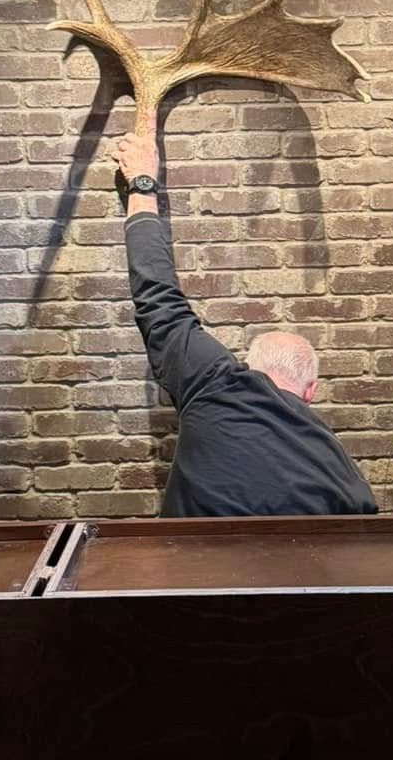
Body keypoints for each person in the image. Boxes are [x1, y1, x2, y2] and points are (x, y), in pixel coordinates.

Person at [114, 129, 378, 518]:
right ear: (310, 391)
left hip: (185, 558)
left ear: (251, 367)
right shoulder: (344, 478)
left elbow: (157, 297)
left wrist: (142, 183)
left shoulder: (216, 382)